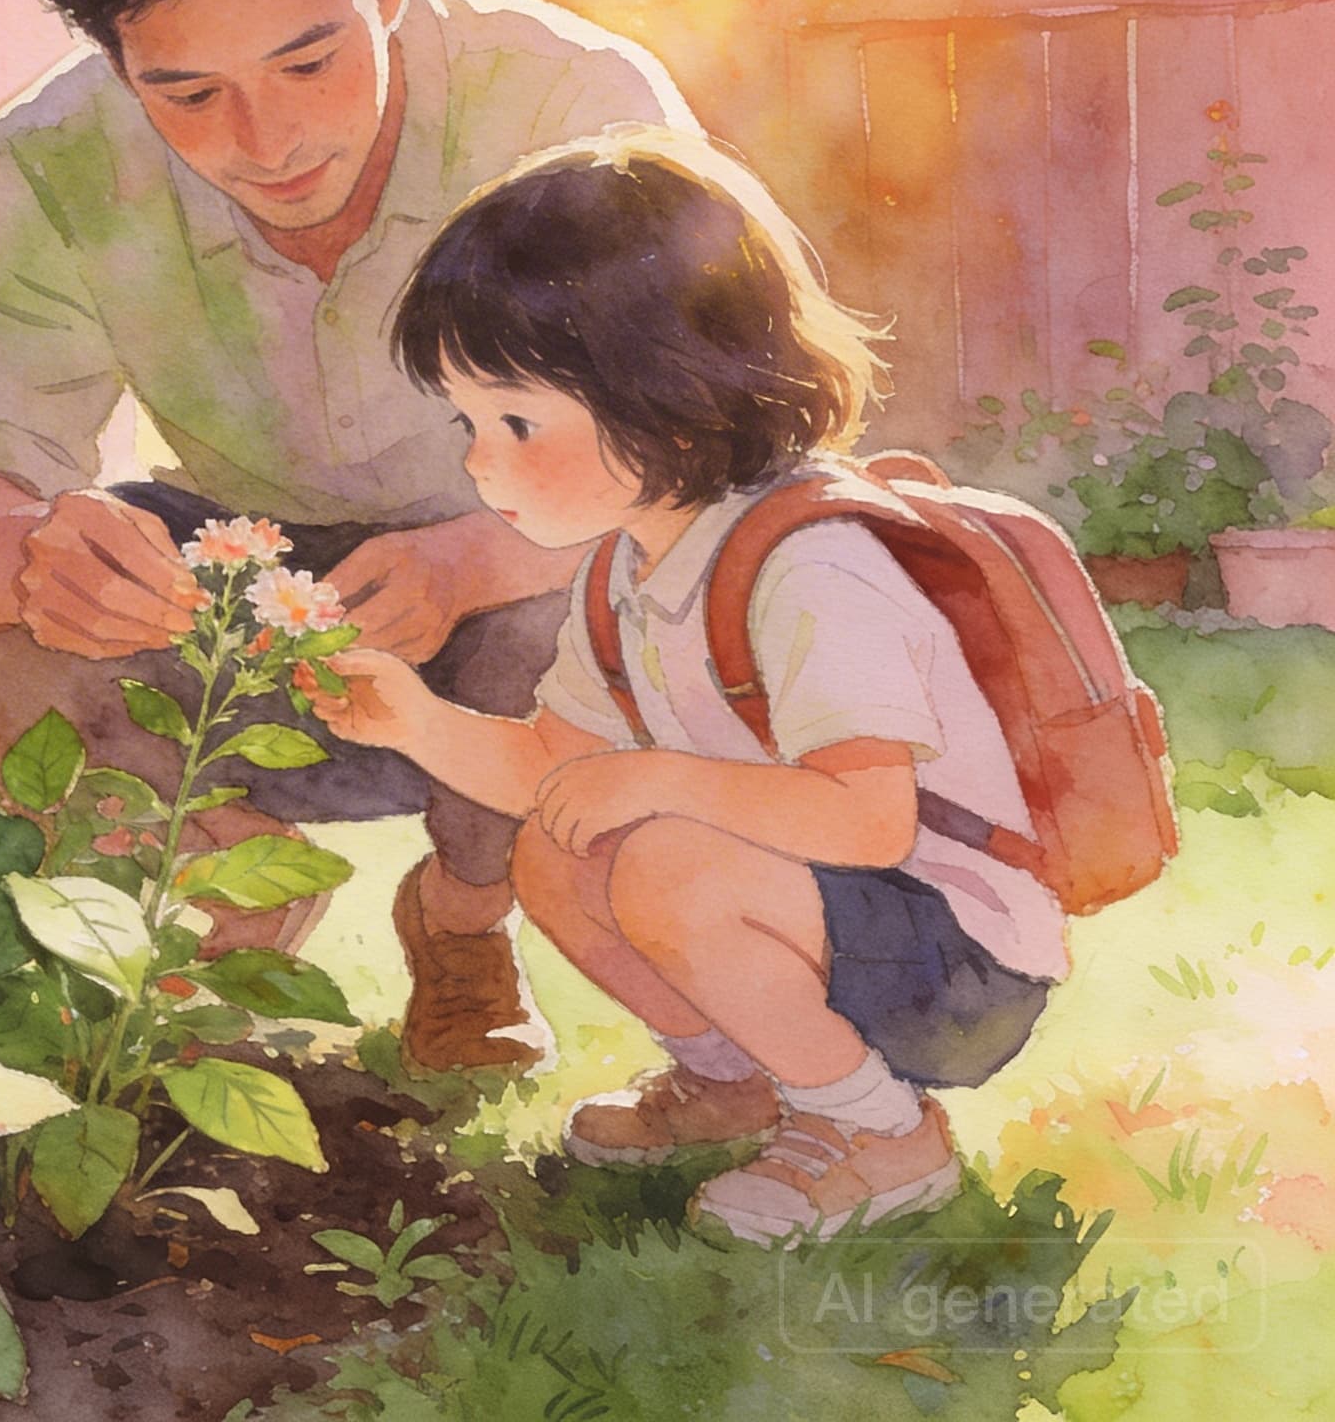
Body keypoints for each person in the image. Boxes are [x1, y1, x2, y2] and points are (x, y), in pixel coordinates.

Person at [0, 0, 698, 1074]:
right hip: (243, 593)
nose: (264, 144)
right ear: (114, 60)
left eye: (309, 65)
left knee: (594, 587)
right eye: (187, 94)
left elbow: (707, 459)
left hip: (532, 593)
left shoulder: (571, 104)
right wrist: (33, 560)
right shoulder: (56, 158)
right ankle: (227, 889)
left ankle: (464, 924)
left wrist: (470, 556)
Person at [304, 129, 1066, 1244]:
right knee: (557, 847)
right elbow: (547, 768)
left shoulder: (810, 564)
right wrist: (412, 721)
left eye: (518, 422)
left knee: (658, 855)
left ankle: (879, 1131)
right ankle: (737, 1083)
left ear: (669, 399)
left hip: (958, 955)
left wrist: (656, 779)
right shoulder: (630, 567)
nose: (477, 462)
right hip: (826, 917)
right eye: (468, 423)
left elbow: (865, 818)